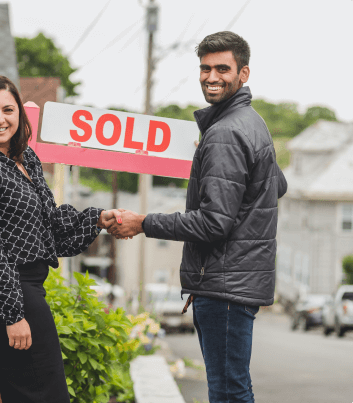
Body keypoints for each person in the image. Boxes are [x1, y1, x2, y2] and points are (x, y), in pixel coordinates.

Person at [107, 31, 288, 403]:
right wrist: (215, 155)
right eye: (205, 68)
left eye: (223, 68)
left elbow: (213, 223)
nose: (211, 76)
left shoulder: (226, 133)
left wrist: (143, 222)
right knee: (232, 388)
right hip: (232, 282)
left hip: (225, 284)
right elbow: (275, 185)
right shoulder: (250, 123)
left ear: (244, 73)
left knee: (228, 392)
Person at [0, 74, 122, 403]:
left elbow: (51, 221)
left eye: (7, 109)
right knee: (45, 392)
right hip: (10, 291)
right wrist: (11, 314)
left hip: (24, 288)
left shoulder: (24, 159)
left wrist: (97, 218)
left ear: (19, 113)